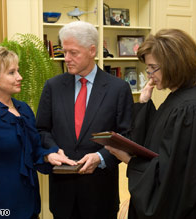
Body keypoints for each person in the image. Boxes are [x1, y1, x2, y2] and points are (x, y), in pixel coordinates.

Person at [105, 29, 196, 219]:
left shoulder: (192, 112)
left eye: (153, 68)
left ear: (175, 65)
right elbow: (156, 144)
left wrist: (130, 160)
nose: (150, 75)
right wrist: (144, 103)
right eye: (148, 68)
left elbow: (175, 181)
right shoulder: (177, 100)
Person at [0, 46, 76, 219]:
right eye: (12, 73)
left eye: (18, 71)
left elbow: (33, 150)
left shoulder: (23, 109)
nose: (20, 77)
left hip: (27, 201)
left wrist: (48, 156)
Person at [36, 21, 134, 219]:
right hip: (62, 194)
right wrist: (53, 150)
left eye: (74, 52)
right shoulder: (53, 86)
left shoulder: (118, 89)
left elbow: (126, 136)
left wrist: (100, 158)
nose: (67, 58)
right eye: (65, 52)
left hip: (100, 194)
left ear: (92, 50)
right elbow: (41, 130)